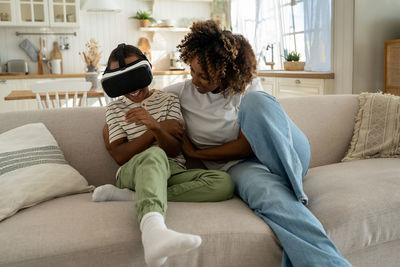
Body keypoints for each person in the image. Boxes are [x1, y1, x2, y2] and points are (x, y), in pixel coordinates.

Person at [159, 20, 351, 267]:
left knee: (257, 102)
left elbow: (246, 145)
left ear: (225, 72)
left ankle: (294, 189)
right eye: (192, 71)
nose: (195, 79)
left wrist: (196, 151)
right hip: (242, 168)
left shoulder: (247, 88)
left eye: (204, 76)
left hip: (289, 152)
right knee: (274, 201)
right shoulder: (179, 94)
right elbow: (143, 101)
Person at [94, 43, 234, 267]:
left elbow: (174, 150)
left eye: (135, 76)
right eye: (123, 81)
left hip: (173, 169)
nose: (132, 87)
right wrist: (155, 130)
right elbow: (120, 156)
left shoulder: (168, 100)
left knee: (224, 182)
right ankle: (154, 230)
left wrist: (155, 126)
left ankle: (136, 196)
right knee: (154, 155)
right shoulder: (114, 109)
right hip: (133, 171)